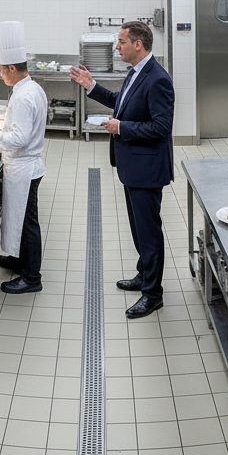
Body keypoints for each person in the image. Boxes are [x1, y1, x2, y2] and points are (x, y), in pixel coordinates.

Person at [68, 21, 174, 319]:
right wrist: (91, 86)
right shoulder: (135, 73)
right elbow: (120, 102)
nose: (117, 46)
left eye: (121, 41)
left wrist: (121, 127)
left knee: (149, 233)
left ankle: (152, 295)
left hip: (147, 169)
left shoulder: (157, 79)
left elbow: (162, 127)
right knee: (139, 230)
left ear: (138, 44)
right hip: (132, 166)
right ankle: (144, 275)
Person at [0, 21, 48, 294]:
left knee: (27, 221)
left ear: (9, 68)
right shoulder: (32, 88)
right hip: (28, 164)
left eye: (0, 70)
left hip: (24, 166)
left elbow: (18, 138)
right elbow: (22, 130)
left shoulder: (21, 97)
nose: (0, 75)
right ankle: (17, 258)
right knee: (18, 216)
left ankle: (32, 278)